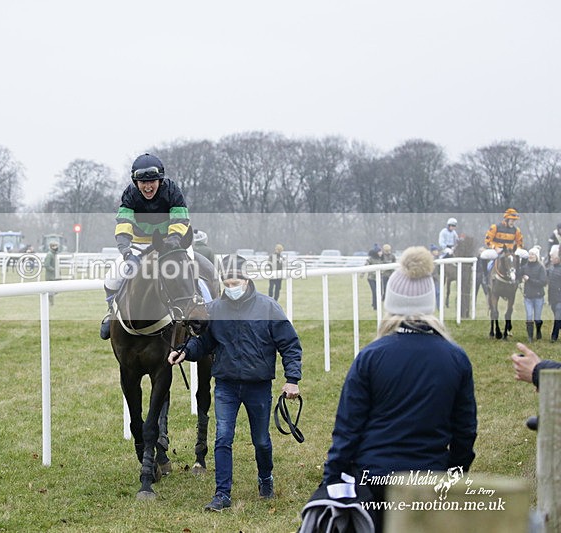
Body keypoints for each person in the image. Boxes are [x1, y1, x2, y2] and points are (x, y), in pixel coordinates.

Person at [322, 246, 477, 531]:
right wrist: (454, 476)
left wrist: (332, 477)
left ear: (390, 302)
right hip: (429, 477)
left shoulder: (370, 356)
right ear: (430, 302)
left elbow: (348, 427)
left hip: (373, 479)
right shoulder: (456, 358)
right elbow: (465, 430)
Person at [168, 254, 302, 512]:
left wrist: (292, 380)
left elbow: (290, 345)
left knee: (261, 440)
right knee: (223, 437)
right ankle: (222, 494)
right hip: (226, 385)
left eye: (235, 283)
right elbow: (204, 343)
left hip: (258, 385)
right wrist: (185, 351)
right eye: (227, 284)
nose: (231, 288)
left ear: (246, 280)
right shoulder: (214, 309)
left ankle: (265, 479)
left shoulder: (269, 307)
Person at [100, 153, 190, 340]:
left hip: (171, 242)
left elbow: (180, 219)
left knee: (191, 270)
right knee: (112, 278)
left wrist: (172, 241)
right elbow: (124, 224)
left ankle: (204, 310)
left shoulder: (173, 191)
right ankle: (111, 313)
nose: (148, 187)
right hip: (140, 243)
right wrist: (126, 252)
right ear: (136, 182)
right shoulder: (130, 194)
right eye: (143, 182)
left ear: (160, 180)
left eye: (152, 182)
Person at [482, 208, 525, 285]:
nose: (513, 222)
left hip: (510, 251)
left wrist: (516, 249)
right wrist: (495, 248)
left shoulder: (516, 230)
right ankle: (485, 276)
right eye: (512, 220)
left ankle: (520, 275)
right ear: (506, 219)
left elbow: (520, 243)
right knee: (483, 255)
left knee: (526, 254)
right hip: (497, 250)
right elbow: (487, 240)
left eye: (514, 221)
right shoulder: (495, 227)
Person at [521, 246, 547, 342]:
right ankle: (530, 336)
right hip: (528, 296)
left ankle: (538, 331)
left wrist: (529, 280)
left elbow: (543, 282)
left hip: (538, 296)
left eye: (532, 254)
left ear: (536, 256)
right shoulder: (524, 267)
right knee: (529, 316)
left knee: (537, 318)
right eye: (530, 254)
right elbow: (518, 275)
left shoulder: (541, 268)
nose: (530, 256)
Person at [548, 246, 561, 342]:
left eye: (552, 257)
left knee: (558, 315)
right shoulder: (551, 268)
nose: (550, 259)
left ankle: (554, 336)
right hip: (553, 298)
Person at [364, 245, 383, 310]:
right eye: (379, 251)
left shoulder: (381, 259)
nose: (381, 253)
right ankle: (375, 306)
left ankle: (376, 304)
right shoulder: (370, 259)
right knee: (374, 292)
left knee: (380, 292)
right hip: (371, 278)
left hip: (379, 278)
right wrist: (362, 274)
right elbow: (365, 266)